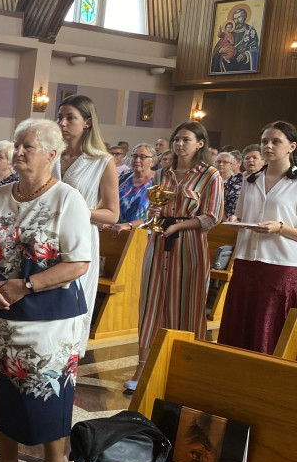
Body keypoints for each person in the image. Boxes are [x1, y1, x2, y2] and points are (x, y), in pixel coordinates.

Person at [0, 119, 91, 462]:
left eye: (28, 147)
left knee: (48, 393)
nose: (18, 153)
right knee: (3, 389)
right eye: (17, 146)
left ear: (51, 155)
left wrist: (26, 285)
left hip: (50, 319)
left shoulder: (67, 199)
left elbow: (78, 263)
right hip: (1, 313)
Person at [125, 121, 224, 393]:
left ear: (200, 143)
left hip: (189, 245)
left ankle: (187, 365)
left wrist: (179, 225)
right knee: (151, 301)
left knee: (188, 303)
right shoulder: (162, 174)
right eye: (177, 139)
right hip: (158, 242)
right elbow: (150, 211)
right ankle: (142, 367)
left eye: (187, 139)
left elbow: (213, 216)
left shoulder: (210, 175)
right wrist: (154, 214)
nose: (180, 144)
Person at [218, 121, 297, 354]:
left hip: (279, 265)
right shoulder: (249, 180)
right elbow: (242, 218)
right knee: (241, 324)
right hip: (246, 262)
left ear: (292, 146)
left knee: (268, 330)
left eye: (276, 142)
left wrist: (280, 228)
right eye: (264, 142)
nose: (268, 146)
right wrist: (235, 223)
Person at [53, 94, 119, 349]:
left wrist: (75, 210)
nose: (62, 123)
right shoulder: (52, 156)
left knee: (72, 303)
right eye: (60, 117)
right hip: (48, 236)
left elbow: (112, 215)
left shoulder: (102, 161)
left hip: (80, 238)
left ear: (87, 123)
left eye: (70, 118)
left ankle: (68, 363)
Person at [109, 142, 157, 235]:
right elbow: (111, 202)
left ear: (152, 161)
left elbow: (156, 215)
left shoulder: (157, 181)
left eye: (143, 157)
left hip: (142, 234)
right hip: (116, 231)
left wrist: (129, 225)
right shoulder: (123, 178)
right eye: (135, 156)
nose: (137, 160)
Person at [217, 150, 243, 219]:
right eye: (219, 162)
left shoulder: (237, 181)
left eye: (225, 162)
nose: (221, 164)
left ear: (231, 164)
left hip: (231, 219)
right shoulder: (211, 180)